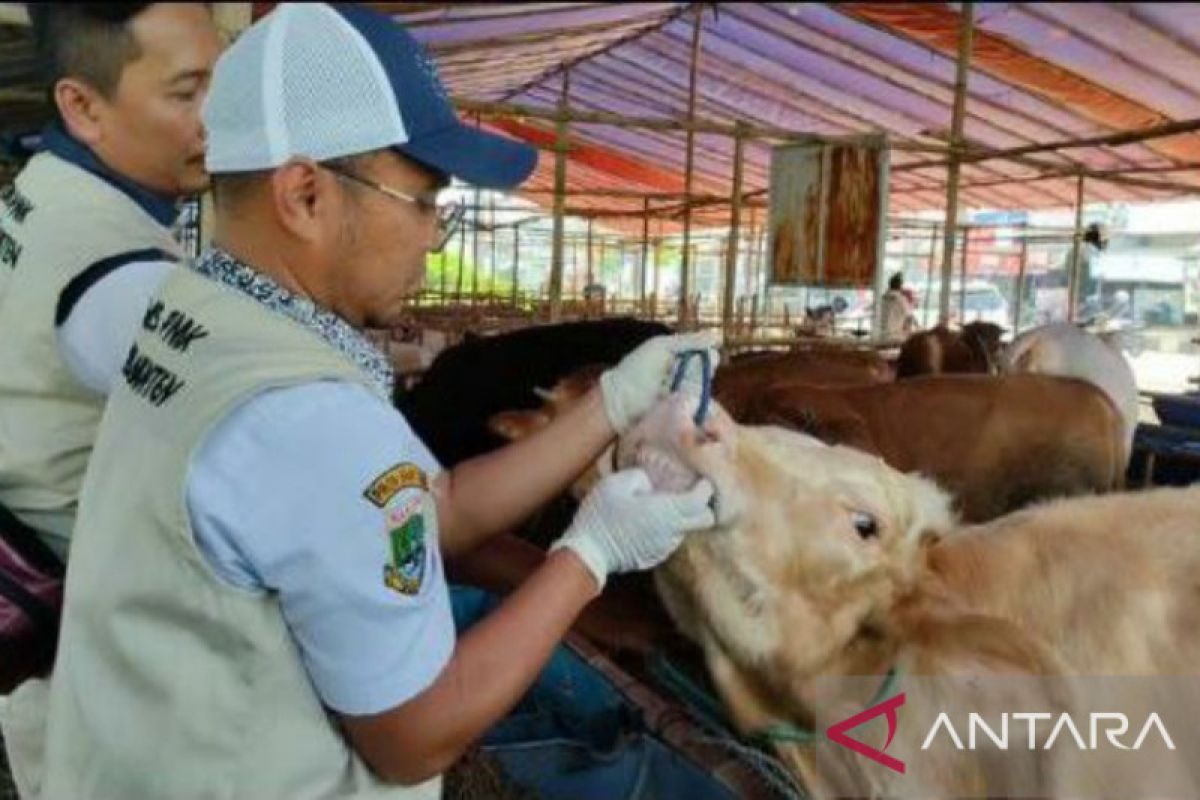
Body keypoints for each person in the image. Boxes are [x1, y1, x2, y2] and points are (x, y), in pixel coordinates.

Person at [4, 4, 721, 797]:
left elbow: (435, 504)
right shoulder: (311, 418)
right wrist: (590, 559)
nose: (431, 235)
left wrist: (609, 407)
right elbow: (416, 736)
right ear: (306, 194)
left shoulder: (193, 312)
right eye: (421, 200)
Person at [0, 4, 223, 560]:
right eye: (186, 93)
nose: (218, 117)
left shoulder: (49, 180)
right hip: (83, 573)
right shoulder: (123, 270)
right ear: (82, 106)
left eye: (223, 84)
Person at [880, 271, 916, 340]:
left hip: (879, 335)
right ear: (900, 286)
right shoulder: (901, 299)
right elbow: (909, 317)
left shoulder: (882, 298)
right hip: (894, 336)